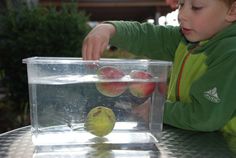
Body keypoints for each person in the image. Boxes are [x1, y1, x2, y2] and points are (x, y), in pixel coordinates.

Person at [82, 0, 236, 137]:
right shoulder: (187, 39)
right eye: (181, 4)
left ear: (232, 11)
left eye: (196, 7)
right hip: (201, 139)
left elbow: (205, 116)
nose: (181, 15)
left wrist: (156, 109)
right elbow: (148, 36)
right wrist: (109, 29)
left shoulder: (231, 53)